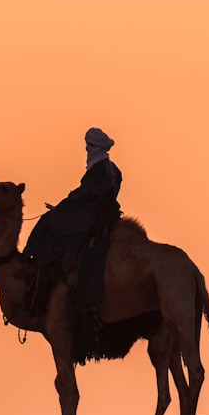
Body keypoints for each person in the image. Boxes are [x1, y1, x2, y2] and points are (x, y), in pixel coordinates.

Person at [22, 128, 123, 356]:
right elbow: (88, 193)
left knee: (51, 221)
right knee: (54, 217)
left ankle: (32, 258)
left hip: (92, 215)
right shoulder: (109, 169)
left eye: (89, 146)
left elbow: (88, 195)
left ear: (94, 147)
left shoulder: (102, 170)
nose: (87, 150)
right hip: (93, 212)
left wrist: (64, 206)